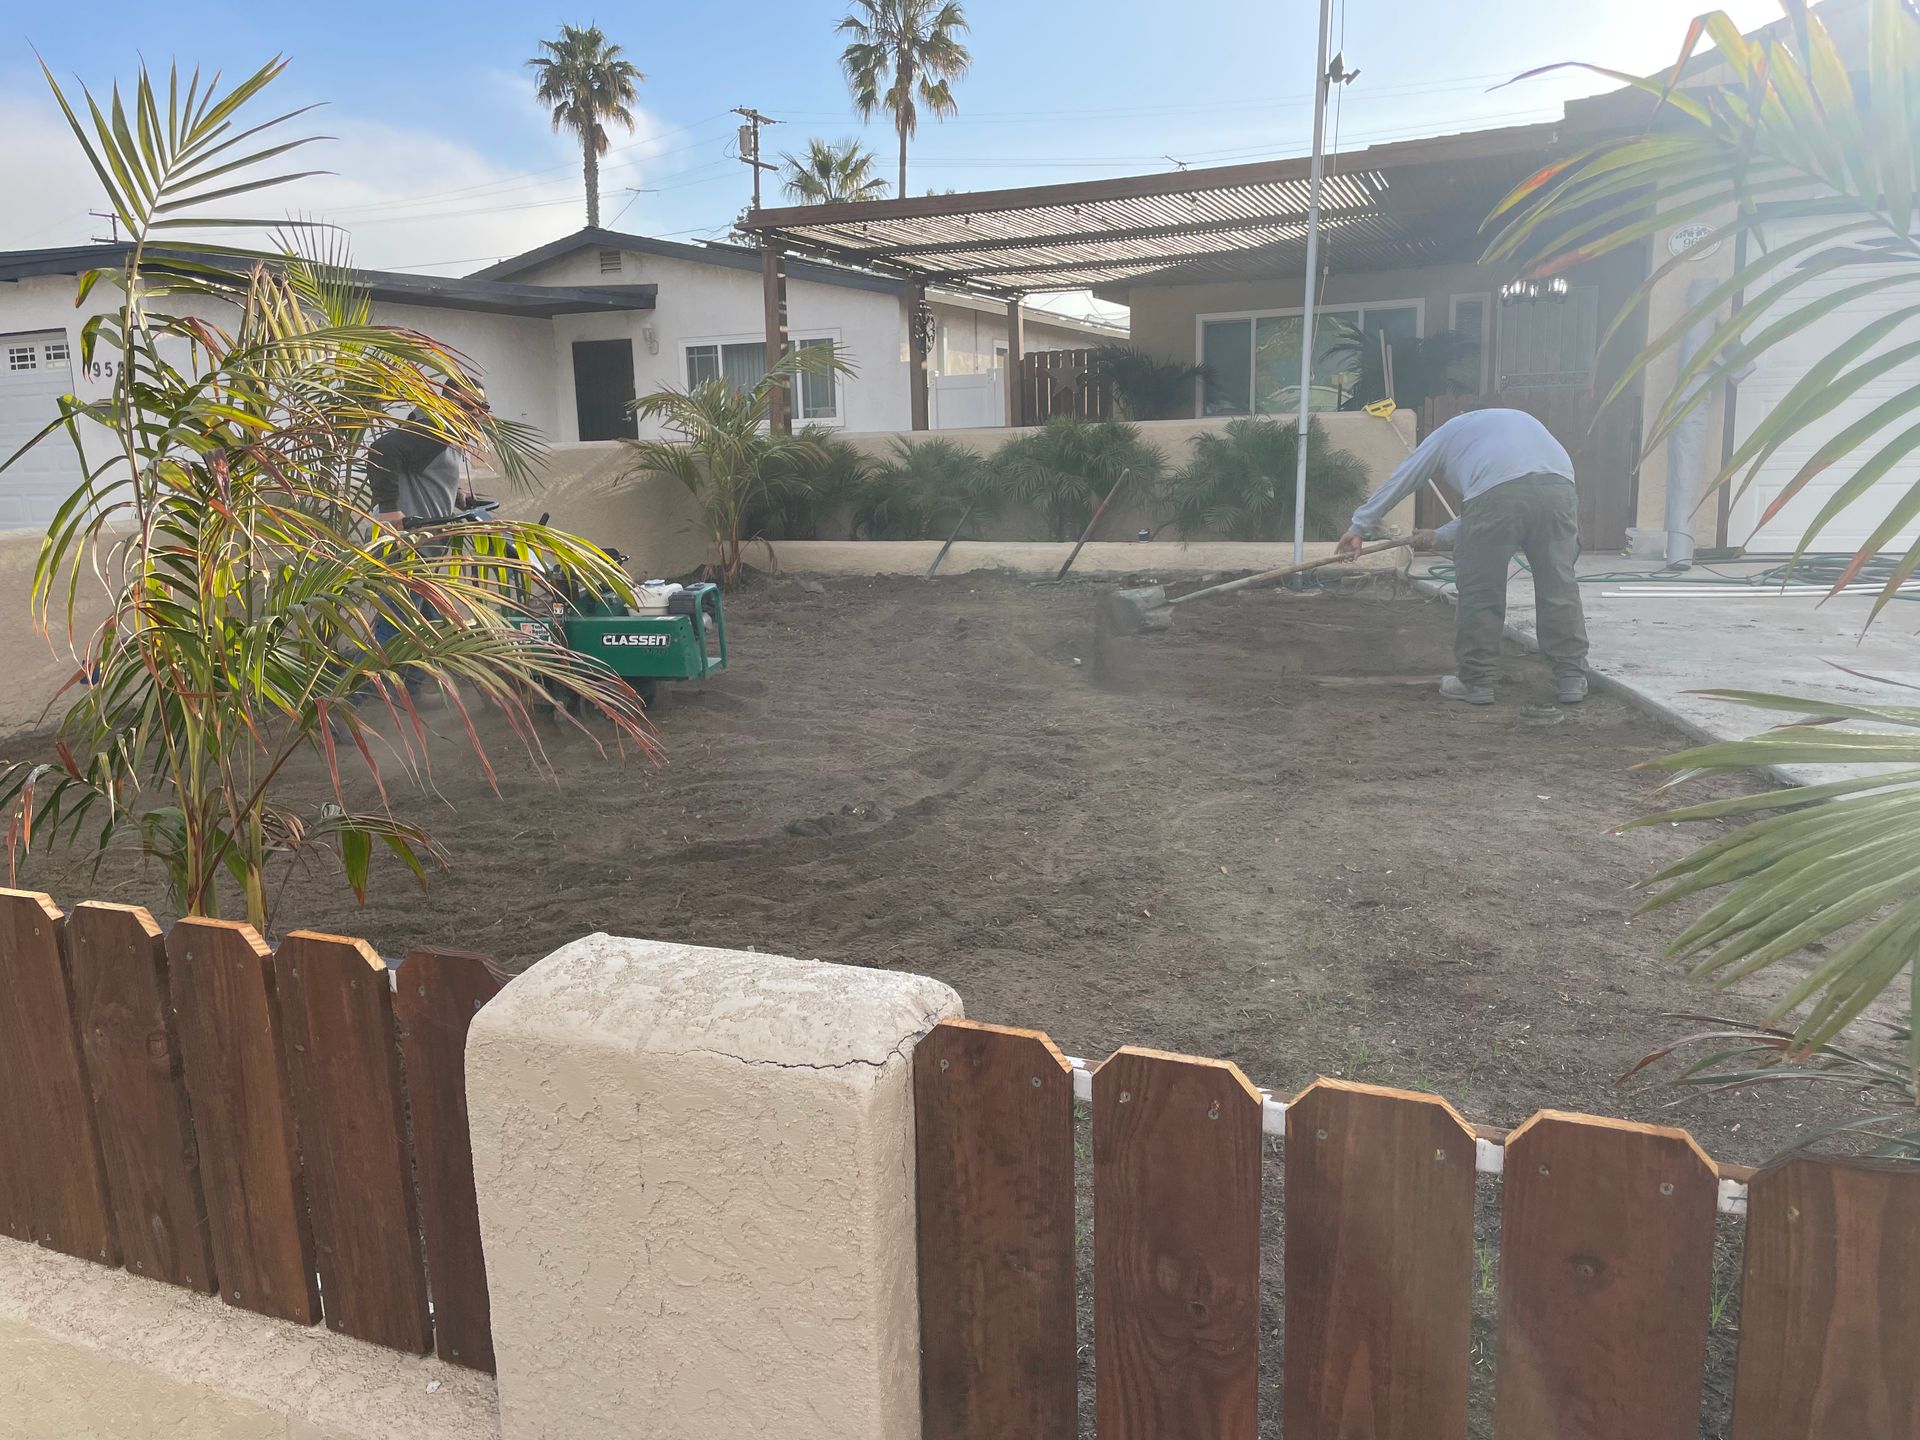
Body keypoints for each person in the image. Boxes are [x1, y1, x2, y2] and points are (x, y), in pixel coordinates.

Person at [1334, 407, 1589, 706]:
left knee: (1482, 591)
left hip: (1498, 496)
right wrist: (1439, 535)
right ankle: (1571, 677)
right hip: (1559, 490)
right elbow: (1503, 504)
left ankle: (1476, 681)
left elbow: (1406, 479)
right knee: (1559, 587)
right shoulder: (1517, 423)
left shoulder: (1447, 433)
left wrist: (1359, 526)